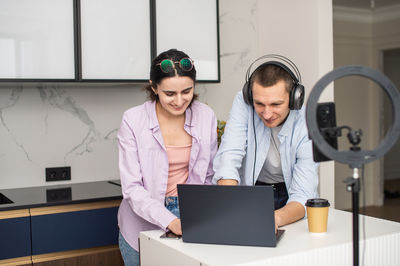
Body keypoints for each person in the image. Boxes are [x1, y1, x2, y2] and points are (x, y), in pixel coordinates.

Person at [117, 49, 217, 266]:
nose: (180, 101)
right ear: (154, 87)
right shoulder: (133, 120)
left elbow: (210, 174)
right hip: (141, 222)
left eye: (187, 91)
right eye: (169, 94)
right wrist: (170, 220)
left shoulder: (205, 116)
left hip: (191, 217)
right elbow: (132, 188)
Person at [212, 55, 318, 231]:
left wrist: (272, 218)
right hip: (251, 190)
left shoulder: (306, 122)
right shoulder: (243, 102)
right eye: (259, 104)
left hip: (289, 192)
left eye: (276, 104)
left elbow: (303, 194)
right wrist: (230, 206)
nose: (267, 114)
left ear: (294, 98)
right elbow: (229, 156)